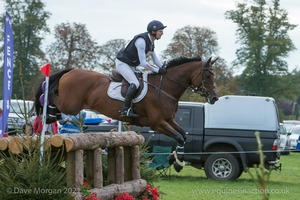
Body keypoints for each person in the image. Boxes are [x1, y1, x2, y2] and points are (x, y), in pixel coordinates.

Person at [116, 20, 167, 117]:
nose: (162, 33)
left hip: (132, 65)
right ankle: (125, 109)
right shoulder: (141, 42)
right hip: (123, 64)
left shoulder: (151, 43)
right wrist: (157, 70)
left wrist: (164, 68)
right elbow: (143, 63)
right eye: (160, 31)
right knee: (135, 83)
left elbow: (156, 61)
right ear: (153, 32)